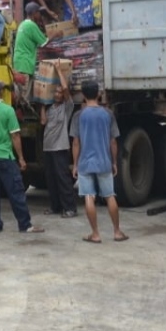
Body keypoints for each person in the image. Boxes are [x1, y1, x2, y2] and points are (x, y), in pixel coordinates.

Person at [0, 79, 45, 234]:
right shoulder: (8, 111)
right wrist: (21, 158)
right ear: (2, 92)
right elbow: (15, 136)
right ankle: (25, 225)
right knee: (15, 190)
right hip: (4, 157)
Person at [70, 81, 128, 243]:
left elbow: (76, 142)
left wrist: (75, 164)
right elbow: (113, 142)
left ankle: (95, 234)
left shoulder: (78, 116)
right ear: (98, 94)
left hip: (85, 163)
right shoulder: (108, 114)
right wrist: (114, 162)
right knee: (110, 196)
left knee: (89, 196)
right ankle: (117, 232)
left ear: (83, 95)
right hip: (104, 162)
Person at [38, 76, 78, 218]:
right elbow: (43, 122)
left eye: (60, 93)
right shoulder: (50, 109)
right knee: (51, 178)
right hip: (48, 148)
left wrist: (60, 72)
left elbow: (66, 89)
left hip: (60, 148)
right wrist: (42, 104)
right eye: (56, 92)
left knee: (63, 178)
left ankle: (70, 208)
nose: (58, 95)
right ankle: (55, 207)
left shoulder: (67, 108)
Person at [11, 2, 64, 105]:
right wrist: (56, 34)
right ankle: (21, 118)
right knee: (24, 98)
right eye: (39, 13)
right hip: (25, 65)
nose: (40, 15)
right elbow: (44, 42)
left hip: (19, 64)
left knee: (20, 95)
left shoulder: (23, 24)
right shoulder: (31, 25)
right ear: (34, 13)